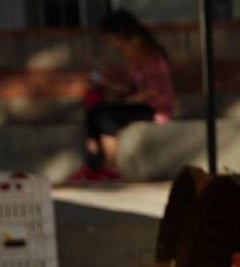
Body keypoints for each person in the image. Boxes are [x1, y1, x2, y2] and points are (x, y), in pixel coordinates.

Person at [68, 10, 174, 183]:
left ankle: (110, 167)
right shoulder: (134, 58)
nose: (113, 44)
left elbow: (153, 93)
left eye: (112, 39)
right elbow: (129, 88)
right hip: (142, 105)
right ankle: (93, 164)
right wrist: (106, 84)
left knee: (105, 114)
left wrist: (125, 101)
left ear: (123, 35)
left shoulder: (151, 57)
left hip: (156, 109)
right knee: (94, 111)